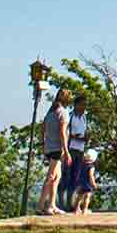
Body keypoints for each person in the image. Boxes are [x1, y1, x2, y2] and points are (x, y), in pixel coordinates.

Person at [38, 87, 72, 216]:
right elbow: (63, 133)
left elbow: (42, 129)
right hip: (57, 148)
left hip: (49, 147)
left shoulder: (50, 112)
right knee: (51, 176)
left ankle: (52, 205)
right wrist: (66, 151)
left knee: (57, 177)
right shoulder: (63, 112)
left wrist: (43, 144)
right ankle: (42, 206)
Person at [58, 94, 89, 211]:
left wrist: (85, 138)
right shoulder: (71, 116)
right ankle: (61, 203)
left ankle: (70, 203)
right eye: (81, 105)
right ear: (76, 105)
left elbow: (85, 132)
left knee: (75, 178)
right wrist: (76, 137)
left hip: (80, 150)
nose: (83, 107)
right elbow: (65, 133)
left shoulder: (84, 118)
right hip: (71, 149)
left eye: (85, 105)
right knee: (66, 176)